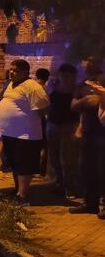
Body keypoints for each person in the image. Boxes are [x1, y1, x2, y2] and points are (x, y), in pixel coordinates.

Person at [0, 59, 50, 205]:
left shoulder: (32, 86)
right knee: (15, 163)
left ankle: (23, 195)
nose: (12, 73)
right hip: (10, 133)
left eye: (16, 70)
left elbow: (43, 108)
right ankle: (17, 190)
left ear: (25, 72)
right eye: (11, 69)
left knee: (24, 165)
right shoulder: (12, 84)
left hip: (26, 134)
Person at [69, 57, 105, 218]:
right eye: (83, 60)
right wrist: (85, 100)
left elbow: (98, 101)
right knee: (86, 168)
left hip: (102, 131)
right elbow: (74, 106)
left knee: (102, 169)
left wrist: (98, 99)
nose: (85, 63)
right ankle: (90, 203)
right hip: (88, 132)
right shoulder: (82, 84)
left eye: (90, 60)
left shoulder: (103, 79)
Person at [45, 64, 79, 196]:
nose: (65, 78)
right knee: (54, 158)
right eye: (63, 75)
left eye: (68, 76)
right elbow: (47, 101)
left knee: (68, 159)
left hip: (70, 126)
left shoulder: (76, 90)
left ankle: (70, 187)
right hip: (53, 124)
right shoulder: (53, 88)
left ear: (74, 76)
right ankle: (59, 184)